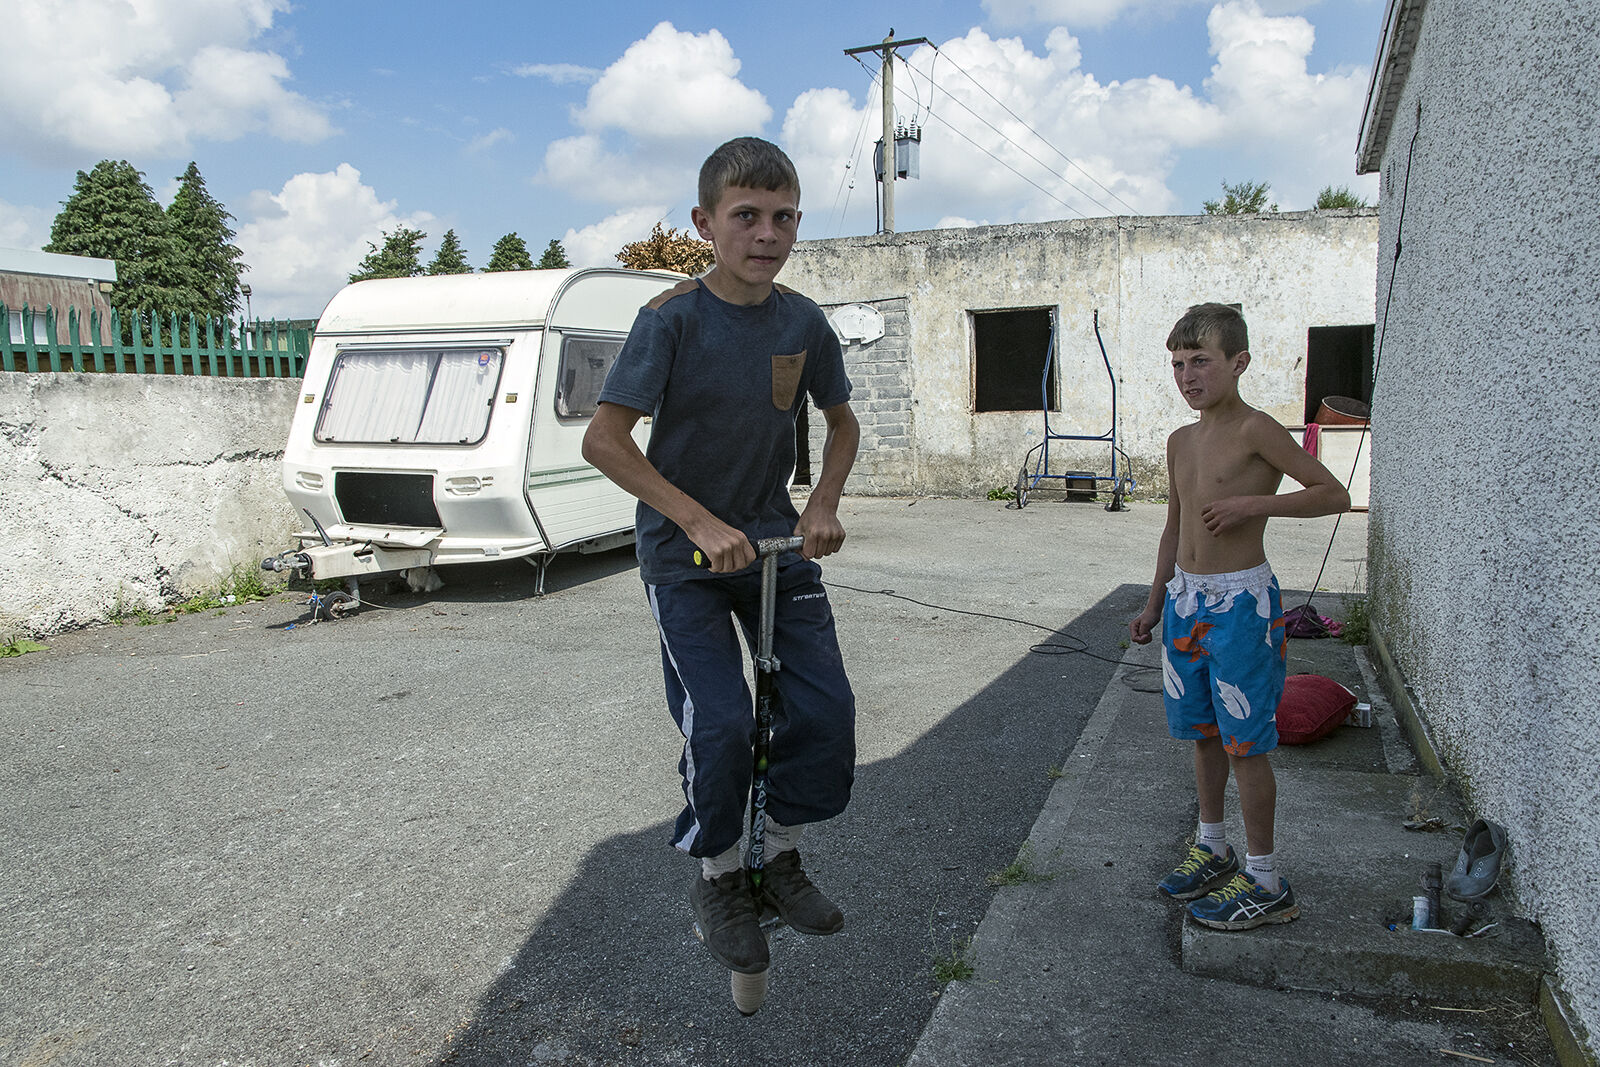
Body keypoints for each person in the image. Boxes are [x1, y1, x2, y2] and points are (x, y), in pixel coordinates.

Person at [581, 137, 861, 975]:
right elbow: (605, 441)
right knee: (725, 723)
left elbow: (841, 422)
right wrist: (698, 521)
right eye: (746, 216)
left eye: (782, 217)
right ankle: (716, 877)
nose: (765, 233)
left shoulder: (805, 322)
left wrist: (822, 502)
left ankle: (775, 857)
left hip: (773, 545)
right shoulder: (669, 320)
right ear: (707, 223)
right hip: (684, 558)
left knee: (825, 712)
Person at [1129, 302, 1350, 930]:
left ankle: (1265, 878)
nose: (1187, 375)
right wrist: (1153, 603)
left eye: (1201, 361)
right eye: (1177, 364)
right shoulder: (1180, 440)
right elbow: (1173, 527)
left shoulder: (1257, 430)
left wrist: (1255, 503)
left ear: (1238, 362)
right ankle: (1213, 845)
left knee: (1245, 741)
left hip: (1241, 605)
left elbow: (1333, 492)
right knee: (1201, 732)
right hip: (1186, 603)